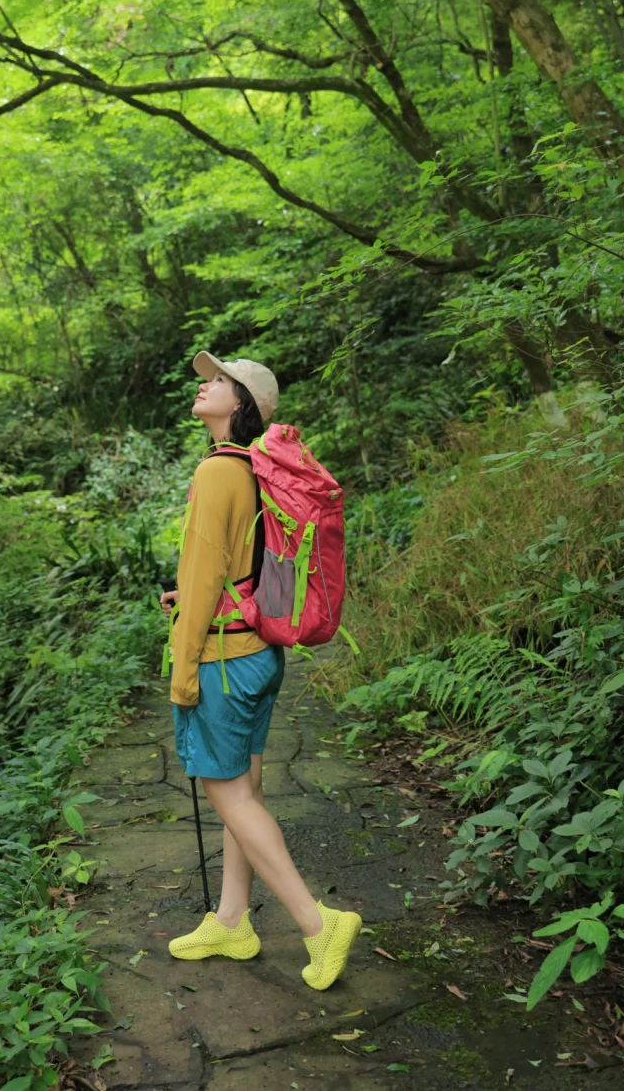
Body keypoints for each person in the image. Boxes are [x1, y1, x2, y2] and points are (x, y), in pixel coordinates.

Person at [160, 349, 361, 990]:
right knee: (244, 791)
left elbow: (199, 573)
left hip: (222, 661)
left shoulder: (217, 471)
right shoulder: (253, 468)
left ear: (242, 403)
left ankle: (316, 923)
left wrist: (183, 668)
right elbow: (240, 568)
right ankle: (231, 919)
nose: (205, 387)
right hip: (257, 653)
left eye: (218, 381)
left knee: (231, 797)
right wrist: (196, 598)